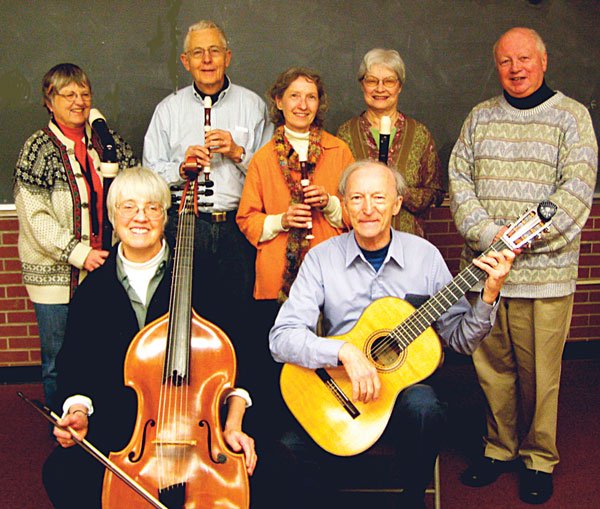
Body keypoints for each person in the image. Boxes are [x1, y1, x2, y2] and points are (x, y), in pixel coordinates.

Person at [269, 160, 515, 509]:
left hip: (399, 392)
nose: (368, 209)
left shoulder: (425, 257)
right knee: (288, 449)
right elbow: (282, 337)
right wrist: (345, 353)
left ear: (397, 204)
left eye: (379, 198)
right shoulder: (321, 259)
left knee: (426, 409)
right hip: (336, 384)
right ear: (345, 204)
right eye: (356, 198)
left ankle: (412, 497)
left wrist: (488, 296)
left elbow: (459, 340)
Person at [42, 167, 257, 509]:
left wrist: (233, 423)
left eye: (152, 207)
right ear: (113, 217)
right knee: (61, 473)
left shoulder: (206, 278)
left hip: (201, 431)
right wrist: (79, 411)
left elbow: (242, 354)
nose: (140, 217)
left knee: (272, 474)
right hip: (124, 430)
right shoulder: (92, 291)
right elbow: (75, 367)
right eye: (128, 207)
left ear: (165, 215)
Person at [449, 27, 597, 505]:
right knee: (493, 369)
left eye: (524, 59)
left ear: (543, 60)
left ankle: (538, 457)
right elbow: (460, 183)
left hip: (545, 277)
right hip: (485, 271)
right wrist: (492, 237)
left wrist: (518, 240)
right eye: (506, 61)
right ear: (497, 66)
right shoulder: (479, 118)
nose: (515, 69)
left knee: (540, 375)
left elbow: (574, 193)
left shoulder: (572, 118)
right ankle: (499, 448)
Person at [236, 66, 353, 506]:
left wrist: (334, 205)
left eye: (311, 97)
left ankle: (334, 448)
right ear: (279, 102)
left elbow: (357, 214)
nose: (302, 104)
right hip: (278, 284)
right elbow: (246, 219)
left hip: (332, 279)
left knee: (329, 372)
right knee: (282, 373)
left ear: (319, 104)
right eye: (294, 96)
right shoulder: (264, 156)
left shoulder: (339, 151)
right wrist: (282, 220)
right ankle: (287, 463)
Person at [142, 19, 272, 405]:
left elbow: (270, 175)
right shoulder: (168, 111)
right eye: (198, 52)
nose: (207, 59)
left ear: (228, 56)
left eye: (215, 50)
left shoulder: (253, 105)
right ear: (185, 61)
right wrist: (180, 170)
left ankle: (239, 410)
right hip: (186, 227)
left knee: (241, 322)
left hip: (238, 230)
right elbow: (150, 172)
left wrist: (237, 153)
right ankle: (192, 406)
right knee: (187, 319)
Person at [13, 63, 137, 412]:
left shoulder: (107, 142)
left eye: (84, 93)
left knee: (106, 351)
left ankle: (101, 425)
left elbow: (132, 190)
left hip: (106, 268)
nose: (78, 101)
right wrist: (79, 253)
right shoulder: (38, 148)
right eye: (68, 94)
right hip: (56, 275)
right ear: (49, 102)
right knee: (59, 359)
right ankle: (63, 430)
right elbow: (34, 215)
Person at [336, 48, 444, 237]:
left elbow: (435, 193)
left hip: (408, 243)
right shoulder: (345, 134)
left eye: (389, 81)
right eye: (371, 81)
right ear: (362, 85)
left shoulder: (419, 133)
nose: (380, 88)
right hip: (357, 243)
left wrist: (399, 190)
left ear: (399, 86)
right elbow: (338, 192)